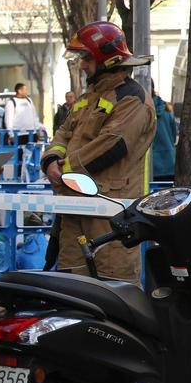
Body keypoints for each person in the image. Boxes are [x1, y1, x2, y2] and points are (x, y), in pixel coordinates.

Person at [42, 21, 156, 282]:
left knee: (113, 287)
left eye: (87, 57)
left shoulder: (132, 99)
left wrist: (65, 169)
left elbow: (111, 145)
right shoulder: (88, 98)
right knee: (72, 285)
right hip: (74, 209)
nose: (82, 64)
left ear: (107, 59)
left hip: (109, 213)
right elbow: (63, 132)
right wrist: (50, 161)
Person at [4, 82, 43, 179]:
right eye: (25, 89)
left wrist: (38, 129)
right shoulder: (12, 102)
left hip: (31, 133)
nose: (26, 91)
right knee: (19, 157)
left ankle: (32, 177)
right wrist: (11, 133)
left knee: (32, 157)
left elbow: (34, 117)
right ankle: (17, 177)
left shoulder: (29, 100)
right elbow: (8, 119)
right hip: (19, 135)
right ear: (19, 91)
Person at [151, 81, 177, 182]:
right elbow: (174, 137)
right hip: (169, 163)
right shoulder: (167, 109)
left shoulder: (141, 109)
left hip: (151, 167)